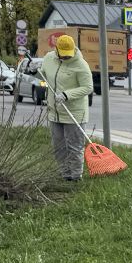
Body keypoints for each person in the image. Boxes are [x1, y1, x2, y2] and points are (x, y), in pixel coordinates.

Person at [42, 35, 94, 181]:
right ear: (56, 49)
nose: (66, 57)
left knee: (74, 147)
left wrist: (67, 95)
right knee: (58, 146)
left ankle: (76, 176)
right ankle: (65, 175)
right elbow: (43, 76)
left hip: (74, 112)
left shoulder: (80, 64)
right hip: (55, 111)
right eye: (63, 54)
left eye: (68, 54)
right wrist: (34, 71)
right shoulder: (49, 59)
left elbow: (88, 87)